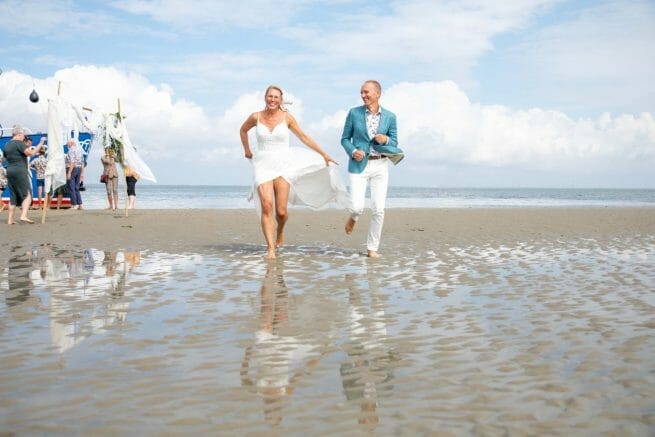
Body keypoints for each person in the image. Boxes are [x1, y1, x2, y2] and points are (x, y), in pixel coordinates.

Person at [240, 85, 348, 259]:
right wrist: (247, 150)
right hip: (262, 164)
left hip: (284, 165)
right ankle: (270, 249)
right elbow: (243, 130)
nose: (272, 99)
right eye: (270, 96)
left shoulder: (287, 118)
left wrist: (324, 154)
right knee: (267, 205)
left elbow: (304, 137)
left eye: (276, 97)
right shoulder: (256, 117)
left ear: (280, 100)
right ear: (265, 97)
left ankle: (280, 231)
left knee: (281, 212)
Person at [341, 80, 403, 258]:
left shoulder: (390, 116)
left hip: (380, 165)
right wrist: (353, 151)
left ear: (377, 93)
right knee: (357, 207)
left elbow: (394, 142)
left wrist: (386, 140)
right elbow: (344, 139)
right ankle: (353, 217)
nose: (363, 95)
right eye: (361, 92)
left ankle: (372, 248)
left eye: (366, 92)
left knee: (378, 209)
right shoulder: (354, 113)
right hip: (358, 165)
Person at [3, 126, 46, 224]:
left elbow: (5, 158)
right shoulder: (19, 143)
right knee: (27, 195)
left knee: (13, 196)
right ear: (18, 134)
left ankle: (10, 219)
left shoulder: (7, 144)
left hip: (10, 170)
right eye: (23, 134)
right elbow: (31, 153)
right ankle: (23, 215)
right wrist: (41, 143)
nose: (24, 137)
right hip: (20, 170)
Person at [66, 138, 84, 210]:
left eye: (68, 143)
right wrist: (82, 173)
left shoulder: (71, 150)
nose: (67, 144)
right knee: (77, 188)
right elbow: (82, 162)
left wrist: (69, 172)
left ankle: (74, 204)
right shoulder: (79, 150)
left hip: (72, 169)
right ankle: (80, 204)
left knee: (71, 187)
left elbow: (72, 162)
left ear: (71, 143)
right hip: (79, 169)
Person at [29, 145, 48, 209]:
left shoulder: (36, 160)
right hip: (45, 176)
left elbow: (29, 166)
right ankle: (45, 205)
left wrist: (35, 169)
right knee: (45, 192)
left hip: (38, 176)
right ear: (44, 152)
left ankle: (40, 205)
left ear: (39, 152)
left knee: (39, 192)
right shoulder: (46, 160)